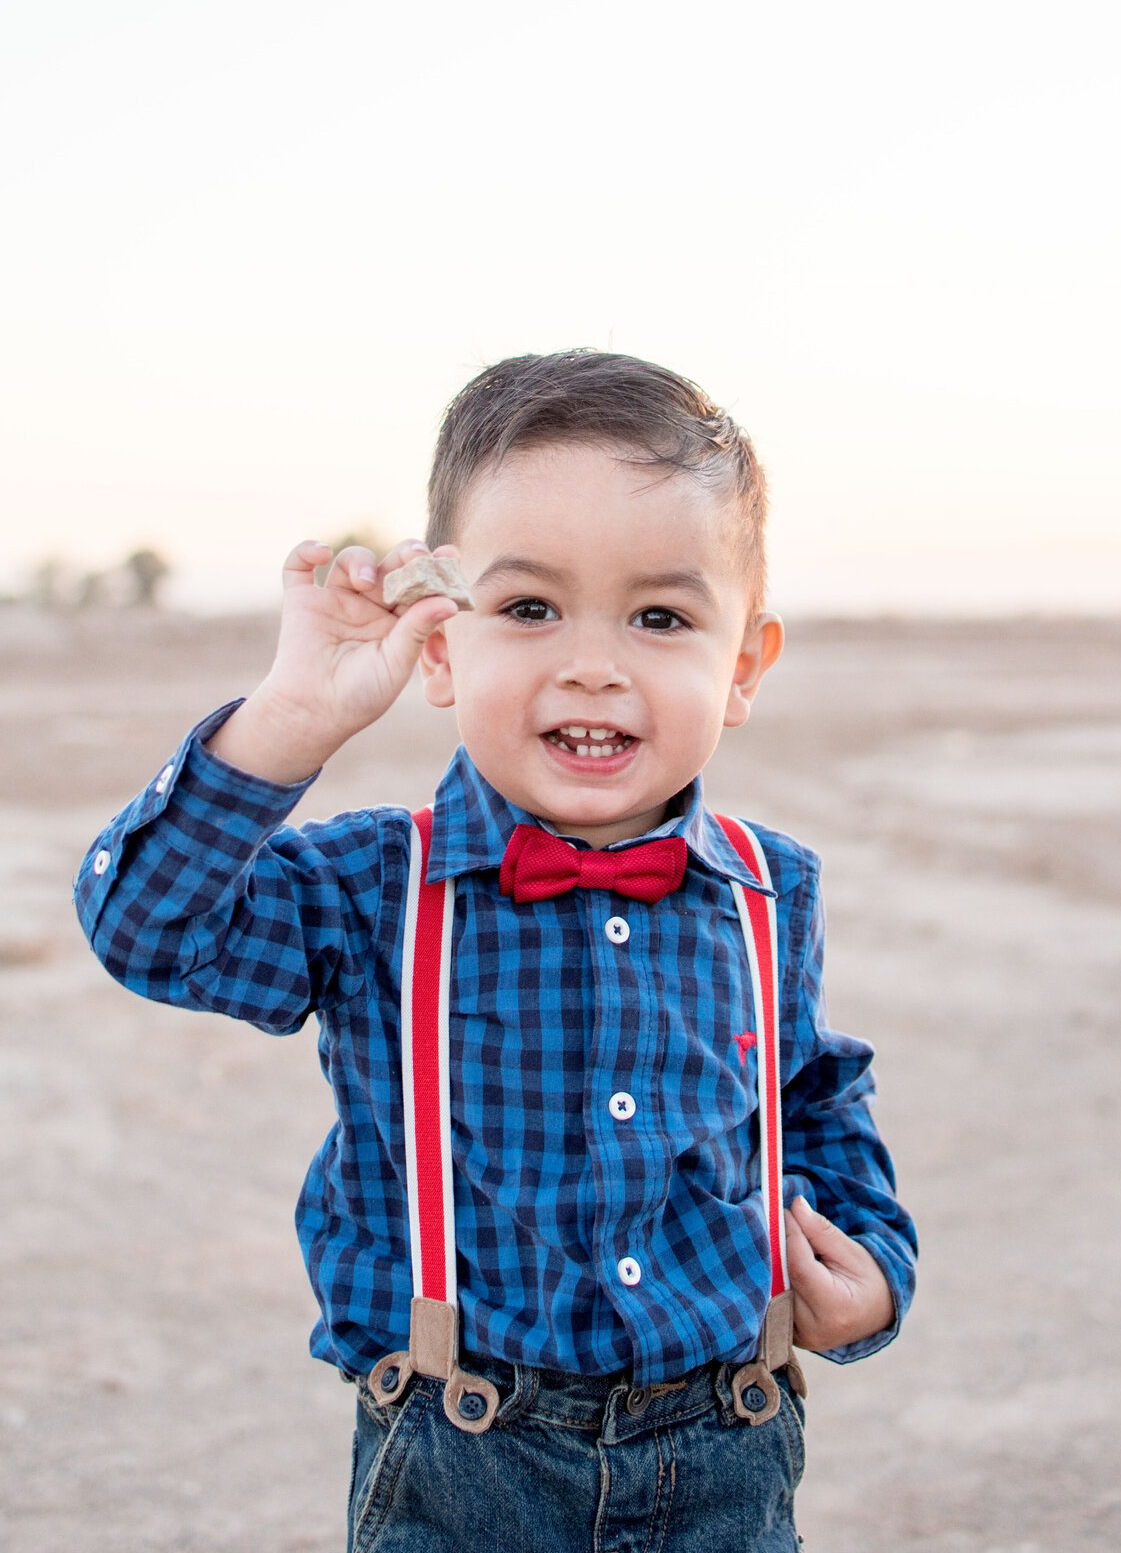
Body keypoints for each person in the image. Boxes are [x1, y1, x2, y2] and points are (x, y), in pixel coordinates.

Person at [76, 351, 916, 1552]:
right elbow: (150, 931)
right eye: (528, 608)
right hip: (460, 1458)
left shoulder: (770, 888)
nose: (592, 661)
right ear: (437, 648)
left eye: (660, 616)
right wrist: (292, 716)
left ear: (740, 667)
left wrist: (876, 1269)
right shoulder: (374, 885)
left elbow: (814, 1098)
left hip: (726, 1449)